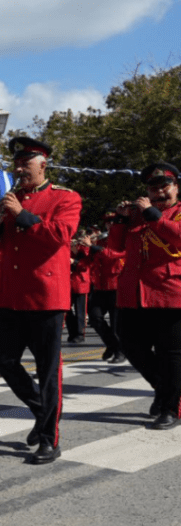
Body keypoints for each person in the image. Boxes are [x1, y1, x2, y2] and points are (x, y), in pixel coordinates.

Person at [0, 136, 81, 464]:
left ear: (43, 165)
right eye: (16, 164)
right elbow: (3, 250)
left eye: (25, 164)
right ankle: (43, 411)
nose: (18, 170)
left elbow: (60, 236)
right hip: (12, 293)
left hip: (46, 295)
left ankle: (49, 439)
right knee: (4, 360)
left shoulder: (64, 198)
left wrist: (22, 215)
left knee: (48, 370)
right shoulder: (14, 199)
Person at [111, 162, 181, 428]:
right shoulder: (138, 215)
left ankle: (171, 407)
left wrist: (153, 214)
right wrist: (120, 219)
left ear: (176, 187)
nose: (159, 192)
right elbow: (115, 247)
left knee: (170, 353)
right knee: (131, 345)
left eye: (165, 186)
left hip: (170, 291)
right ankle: (166, 391)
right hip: (135, 293)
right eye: (153, 188)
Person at [84, 215, 125, 363]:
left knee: (116, 325)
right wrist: (84, 249)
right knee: (95, 318)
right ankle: (111, 345)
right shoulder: (100, 241)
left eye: (113, 222)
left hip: (116, 285)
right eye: (108, 222)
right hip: (100, 285)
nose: (109, 225)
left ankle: (120, 351)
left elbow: (117, 255)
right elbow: (91, 262)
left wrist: (95, 248)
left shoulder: (123, 240)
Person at [66, 236, 90, 343]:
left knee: (80, 311)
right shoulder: (66, 249)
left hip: (81, 283)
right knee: (66, 310)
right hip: (69, 283)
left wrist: (73, 261)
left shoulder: (84, 249)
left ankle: (80, 333)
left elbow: (85, 265)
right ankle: (72, 332)